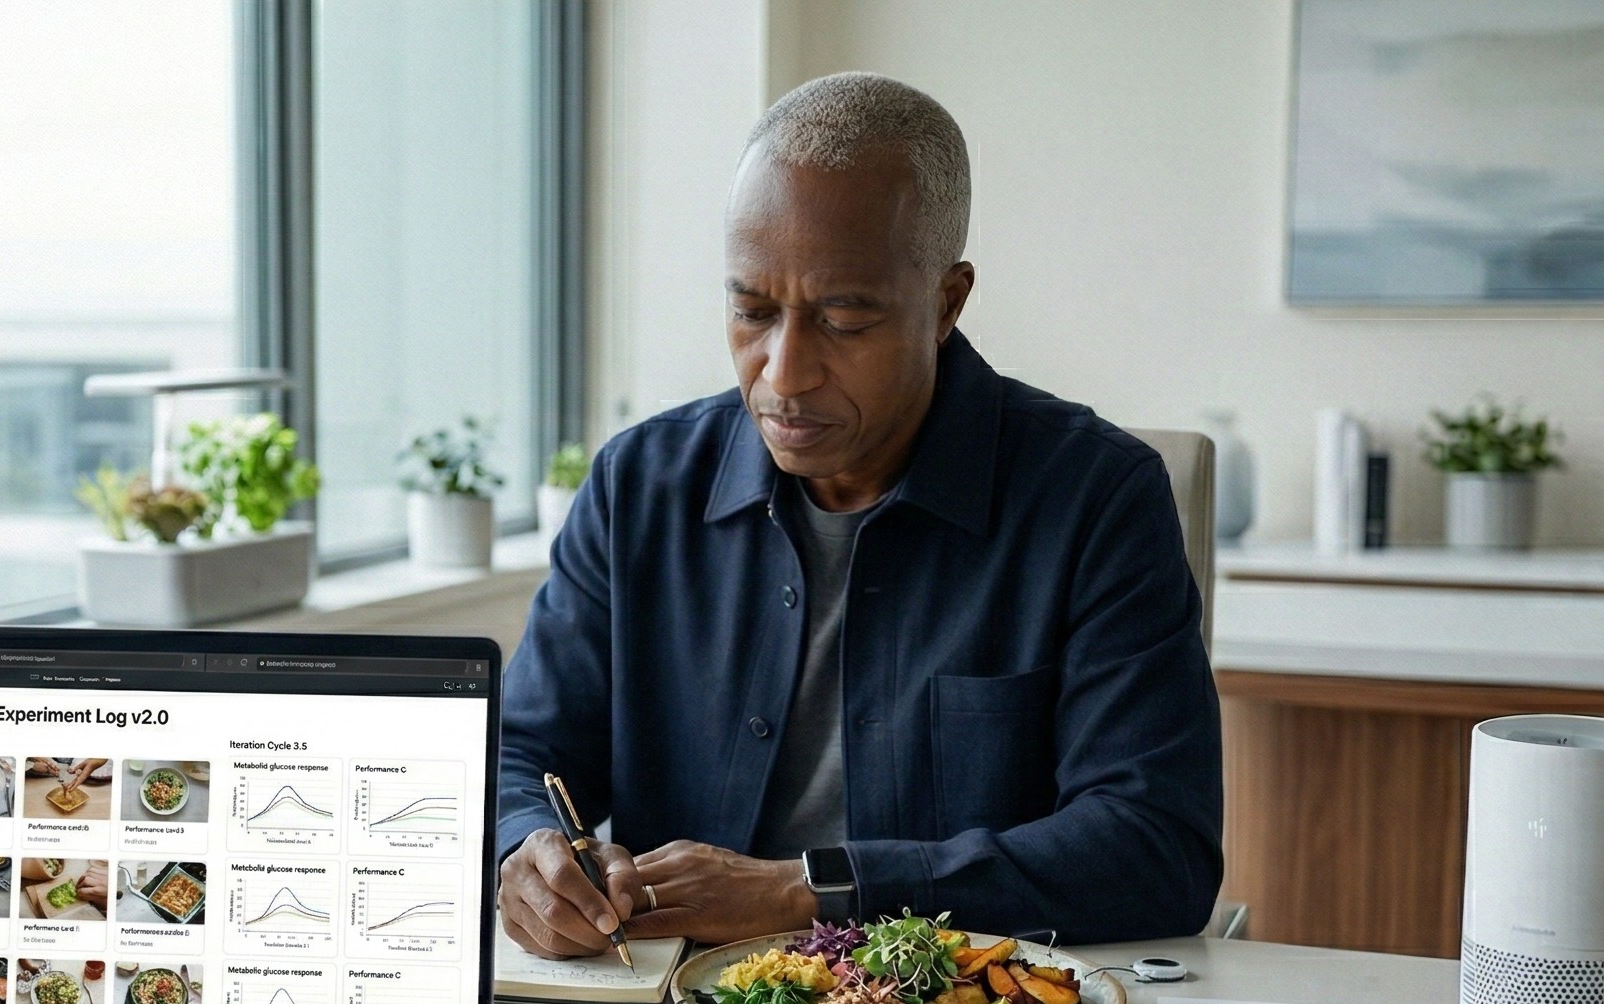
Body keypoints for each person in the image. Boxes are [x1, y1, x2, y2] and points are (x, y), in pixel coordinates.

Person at [498, 72, 1222, 958]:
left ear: (946, 304)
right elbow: (519, 756)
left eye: (844, 319)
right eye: (751, 310)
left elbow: (1156, 849)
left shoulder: (1096, 500)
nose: (784, 372)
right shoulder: (637, 486)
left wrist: (810, 892)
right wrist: (528, 850)